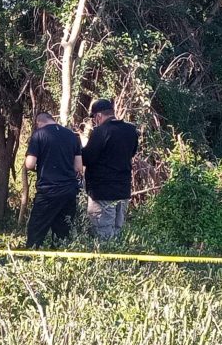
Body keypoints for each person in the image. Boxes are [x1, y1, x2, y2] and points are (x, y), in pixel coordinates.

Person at [82, 99, 138, 240]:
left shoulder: (101, 131)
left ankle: (106, 260)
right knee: (117, 232)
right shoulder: (131, 130)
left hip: (102, 192)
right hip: (122, 189)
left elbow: (87, 159)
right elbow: (131, 153)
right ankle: (117, 260)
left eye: (94, 118)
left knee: (103, 233)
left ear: (98, 116)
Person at [24, 112, 83, 248]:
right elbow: (78, 167)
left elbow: (30, 164)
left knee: (36, 229)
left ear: (39, 123)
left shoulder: (39, 135)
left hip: (48, 191)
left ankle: (30, 258)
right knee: (63, 231)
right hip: (69, 190)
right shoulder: (72, 136)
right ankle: (60, 260)